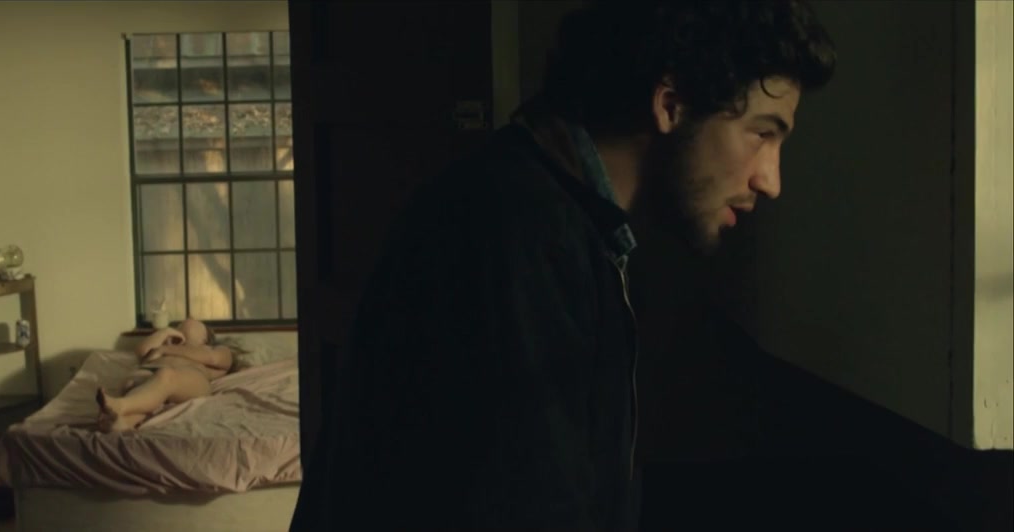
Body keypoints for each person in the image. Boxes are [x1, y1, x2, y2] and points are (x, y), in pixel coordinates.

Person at [289, 1, 837, 530]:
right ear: (670, 105)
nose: (771, 180)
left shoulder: (566, 221)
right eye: (763, 133)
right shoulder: (516, 236)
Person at [95, 318, 243, 432]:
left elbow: (214, 358)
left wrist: (165, 350)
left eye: (193, 321)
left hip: (190, 378)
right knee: (136, 387)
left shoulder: (214, 349)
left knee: (166, 376)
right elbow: (141, 352)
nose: (188, 319)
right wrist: (164, 332)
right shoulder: (164, 345)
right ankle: (122, 423)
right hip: (150, 374)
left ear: (205, 338)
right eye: (178, 326)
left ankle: (120, 406)